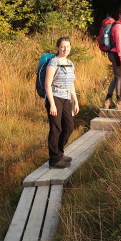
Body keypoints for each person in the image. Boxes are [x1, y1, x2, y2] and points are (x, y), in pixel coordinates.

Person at [44, 37, 79, 168]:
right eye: (63, 47)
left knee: (69, 127)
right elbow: (47, 84)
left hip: (66, 97)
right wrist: (52, 104)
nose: (65, 49)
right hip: (54, 96)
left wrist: (75, 101)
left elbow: (71, 84)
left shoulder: (70, 63)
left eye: (68, 47)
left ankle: (59, 152)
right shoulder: (53, 62)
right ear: (58, 47)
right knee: (56, 128)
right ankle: (54, 160)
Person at [104, 5, 121, 109]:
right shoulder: (118, 26)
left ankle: (108, 100)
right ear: (119, 15)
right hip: (116, 54)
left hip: (117, 54)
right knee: (120, 77)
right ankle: (120, 101)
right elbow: (118, 43)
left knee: (117, 78)